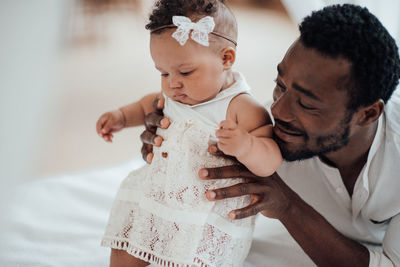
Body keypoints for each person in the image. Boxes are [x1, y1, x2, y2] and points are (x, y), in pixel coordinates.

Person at [141, 4, 400, 266]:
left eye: (308, 104)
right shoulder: (259, 136)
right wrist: (168, 139)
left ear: (367, 114)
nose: (278, 110)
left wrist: (287, 206)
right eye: (281, 86)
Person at [96, 0, 282, 266]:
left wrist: (246, 146)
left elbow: (270, 161)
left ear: (226, 58)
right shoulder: (176, 96)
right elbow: (146, 104)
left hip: (206, 212)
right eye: (163, 73)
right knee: (125, 249)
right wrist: (121, 117)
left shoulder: (241, 108)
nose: (172, 83)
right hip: (158, 196)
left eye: (186, 71)